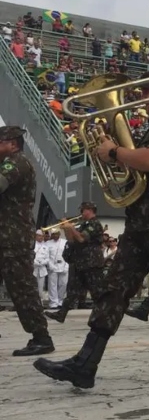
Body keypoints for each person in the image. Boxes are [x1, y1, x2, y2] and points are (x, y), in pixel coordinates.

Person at [33, 67, 149, 390]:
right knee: (114, 289)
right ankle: (85, 362)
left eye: (148, 91)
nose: (141, 97)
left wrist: (114, 152)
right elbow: (139, 164)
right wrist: (116, 154)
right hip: (144, 223)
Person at [0, 126, 56, 356]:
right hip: (5, 236)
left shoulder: (16, 163)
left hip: (13, 237)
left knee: (22, 287)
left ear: (12, 144)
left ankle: (42, 338)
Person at [44, 201, 105, 323]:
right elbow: (72, 240)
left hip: (92, 263)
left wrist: (70, 226)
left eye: (82, 210)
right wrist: (67, 229)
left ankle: (103, 316)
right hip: (81, 262)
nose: (81, 213)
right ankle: (61, 314)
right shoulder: (84, 224)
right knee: (72, 291)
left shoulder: (95, 224)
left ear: (89, 210)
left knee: (96, 292)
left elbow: (81, 238)